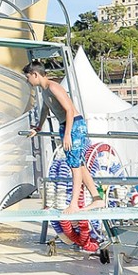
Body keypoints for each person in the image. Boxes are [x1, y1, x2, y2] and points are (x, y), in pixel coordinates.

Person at [25, 61, 94, 210]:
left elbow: (69, 110)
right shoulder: (44, 90)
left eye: (28, 76)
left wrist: (68, 134)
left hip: (74, 125)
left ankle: (74, 204)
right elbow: (45, 110)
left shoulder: (53, 87)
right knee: (78, 164)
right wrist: (38, 127)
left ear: (35, 74)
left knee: (74, 166)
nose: (27, 80)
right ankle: (96, 198)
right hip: (66, 125)